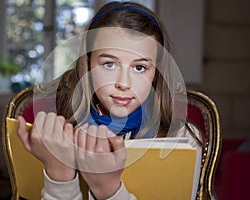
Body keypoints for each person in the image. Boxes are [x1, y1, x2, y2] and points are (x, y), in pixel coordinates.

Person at [17, 1, 203, 200]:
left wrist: (108, 190)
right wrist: (59, 177)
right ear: (87, 65)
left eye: (139, 68)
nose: (124, 83)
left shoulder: (183, 139)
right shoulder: (53, 137)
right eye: (109, 64)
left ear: (156, 73)